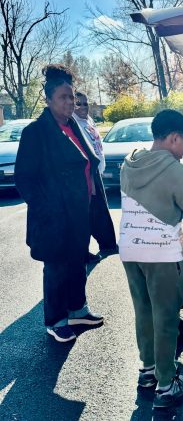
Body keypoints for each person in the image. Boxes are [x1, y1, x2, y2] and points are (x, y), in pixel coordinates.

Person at [119, 109, 183, 408]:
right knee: (166, 317)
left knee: (143, 311)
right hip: (160, 253)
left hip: (130, 250)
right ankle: (166, 384)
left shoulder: (128, 164)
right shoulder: (179, 172)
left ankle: (147, 371)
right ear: (173, 138)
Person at [14, 64, 106, 343]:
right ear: (49, 100)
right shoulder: (36, 132)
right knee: (56, 268)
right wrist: (49, 209)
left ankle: (78, 310)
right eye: (64, 97)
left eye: (72, 97)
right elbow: (24, 179)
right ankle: (55, 320)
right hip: (54, 217)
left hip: (79, 212)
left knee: (77, 262)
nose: (70, 102)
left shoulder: (73, 127)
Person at [73, 91, 117, 262]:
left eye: (85, 104)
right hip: (87, 174)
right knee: (87, 214)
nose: (83, 107)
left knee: (100, 211)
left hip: (96, 172)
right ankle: (83, 252)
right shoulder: (74, 123)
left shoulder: (88, 121)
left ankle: (108, 245)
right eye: (79, 104)